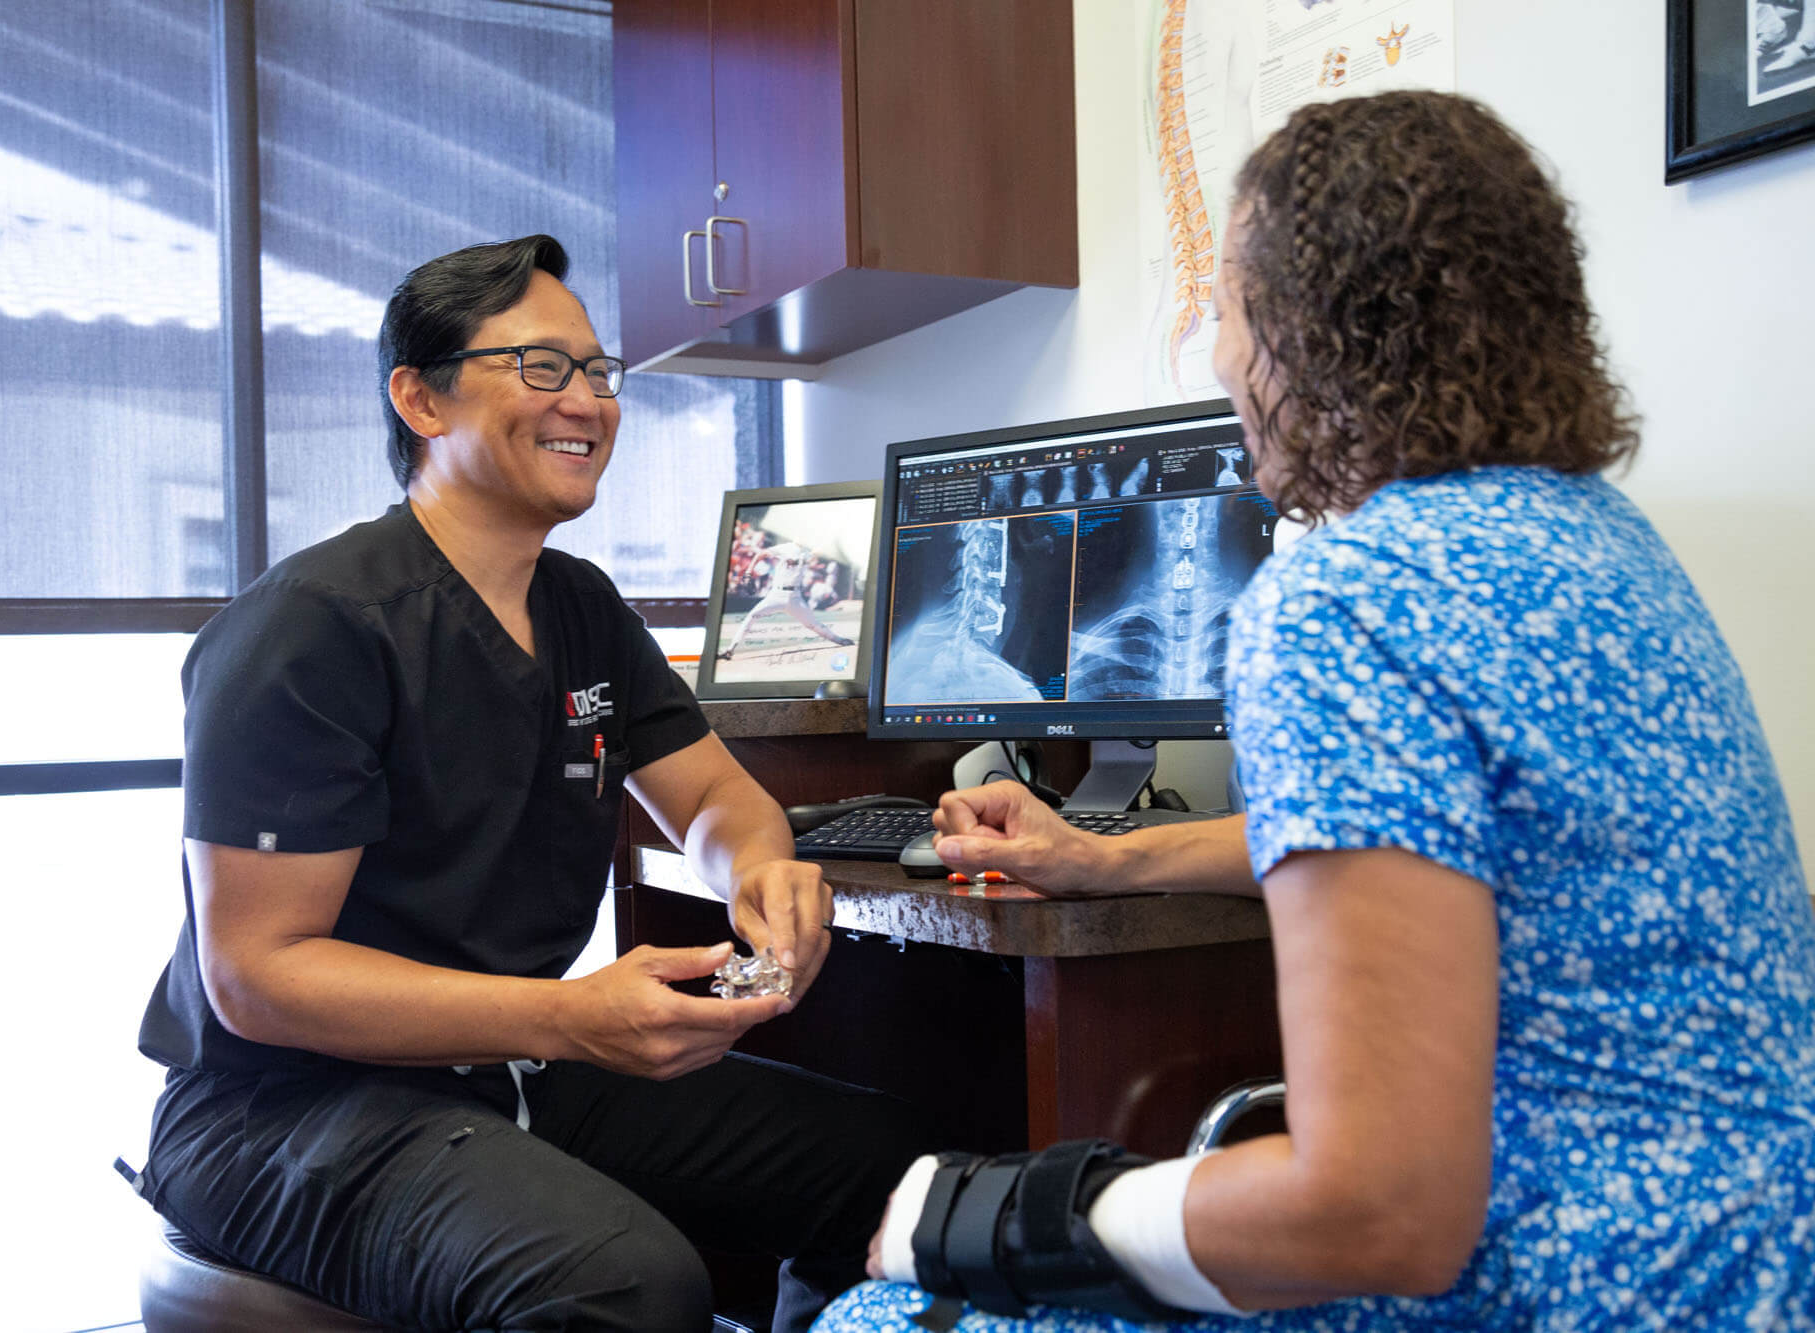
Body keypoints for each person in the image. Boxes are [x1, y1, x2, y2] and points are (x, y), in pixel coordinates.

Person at [816, 91, 1815, 1333]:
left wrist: (1025, 1216)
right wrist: (1099, 858)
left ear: (1305, 333)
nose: (1219, 359)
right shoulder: (1602, 545)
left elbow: (1379, 1209)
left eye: (1229, 311)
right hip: (1763, 1261)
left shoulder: (1346, 597)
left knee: (876, 1311)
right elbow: (1428, 849)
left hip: (1574, 1286)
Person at [134, 234, 923, 1333]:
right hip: (280, 1108)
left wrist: (761, 873)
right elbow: (258, 976)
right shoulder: (311, 630)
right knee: (629, 1284)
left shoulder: (580, 607)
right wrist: (568, 1017)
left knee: (898, 1175)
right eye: (541, 367)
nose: (588, 401)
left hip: (504, 1066)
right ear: (420, 398)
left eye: (598, 372)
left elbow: (707, 798)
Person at [716, 540, 856, 661]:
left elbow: (816, 552)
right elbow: (761, 554)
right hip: (776, 595)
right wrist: (748, 571)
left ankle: (839, 640)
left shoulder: (807, 553)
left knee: (813, 624)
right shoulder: (785, 548)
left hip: (795, 598)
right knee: (751, 616)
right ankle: (730, 650)